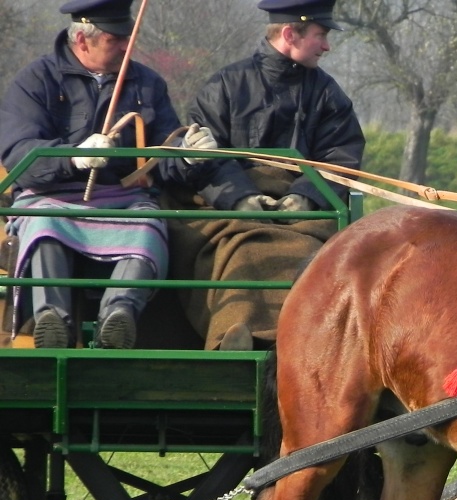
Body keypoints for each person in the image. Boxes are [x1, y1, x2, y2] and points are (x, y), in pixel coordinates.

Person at [0, 0, 218, 349]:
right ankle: (51, 321)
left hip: (123, 198)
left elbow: (163, 159)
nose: (126, 46)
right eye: (115, 39)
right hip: (50, 195)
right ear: (83, 40)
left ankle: (118, 317)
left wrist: (190, 157)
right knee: (42, 225)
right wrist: (74, 159)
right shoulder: (35, 80)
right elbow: (17, 152)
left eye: (128, 37)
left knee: (149, 227)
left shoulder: (148, 84)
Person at [170, 0, 365, 351]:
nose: (327, 45)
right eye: (320, 35)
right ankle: (237, 335)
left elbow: (341, 156)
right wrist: (240, 198)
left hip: (302, 214)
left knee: (306, 250)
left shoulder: (328, 94)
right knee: (241, 250)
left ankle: (298, 343)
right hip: (227, 211)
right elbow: (204, 158)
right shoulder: (225, 86)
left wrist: (307, 195)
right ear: (291, 34)